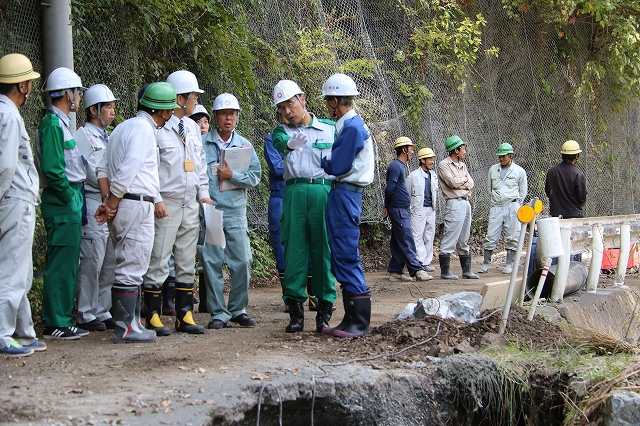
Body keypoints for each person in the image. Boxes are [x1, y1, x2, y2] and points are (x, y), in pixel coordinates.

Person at [95, 82, 179, 343]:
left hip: (124, 202)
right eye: (171, 110)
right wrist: (113, 201)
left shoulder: (122, 127)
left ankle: (130, 323)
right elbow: (128, 169)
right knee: (132, 265)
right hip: (133, 202)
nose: (172, 115)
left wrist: (108, 199)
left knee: (125, 262)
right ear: (163, 111)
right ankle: (126, 328)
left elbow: (101, 167)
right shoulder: (144, 131)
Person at [143, 71, 211, 336]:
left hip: (190, 203)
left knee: (186, 259)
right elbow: (150, 168)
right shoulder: (158, 128)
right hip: (166, 203)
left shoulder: (193, 128)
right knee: (159, 257)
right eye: (193, 96)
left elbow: (200, 164)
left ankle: (184, 315)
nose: (195, 101)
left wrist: (203, 193)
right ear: (181, 99)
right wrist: (156, 198)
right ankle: (152, 314)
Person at [271, 80, 336, 333]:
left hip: (323, 191)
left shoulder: (330, 129)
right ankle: (295, 311)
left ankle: (324, 311)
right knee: (295, 251)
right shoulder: (282, 131)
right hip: (295, 191)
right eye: (282, 107)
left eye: (290, 103)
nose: (287, 111)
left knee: (324, 252)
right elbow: (279, 144)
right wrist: (289, 145)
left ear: (303, 99)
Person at [35, 67, 89, 340]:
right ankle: (55, 321)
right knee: (61, 263)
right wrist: (70, 198)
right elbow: (54, 170)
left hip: (69, 198)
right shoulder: (53, 125)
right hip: (62, 201)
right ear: (68, 94)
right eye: (77, 92)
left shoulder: (62, 124)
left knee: (69, 262)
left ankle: (62, 318)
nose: (78, 97)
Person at [320, 73, 375, 338]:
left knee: (345, 251)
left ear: (334, 101)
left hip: (346, 193)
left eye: (328, 102)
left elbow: (337, 165)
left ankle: (359, 322)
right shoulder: (349, 125)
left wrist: (324, 160)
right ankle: (350, 317)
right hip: (343, 193)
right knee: (340, 253)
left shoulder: (351, 126)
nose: (328, 107)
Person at [201, 93, 261, 330]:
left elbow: (255, 175)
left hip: (235, 211)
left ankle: (238, 309)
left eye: (233, 114)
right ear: (215, 116)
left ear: (237, 117)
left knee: (243, 260)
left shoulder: (244, 145)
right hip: (212, 211)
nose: (228, 118)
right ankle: (218, 312)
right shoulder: (202, 143)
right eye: (224, 114)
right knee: (213, 261)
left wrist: (232, 176)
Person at [0, 53, 45, 357]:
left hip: (14, 198)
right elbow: (4, 166)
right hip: (14, 199)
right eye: (29, 82)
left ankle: (23, 331)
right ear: (22, 85)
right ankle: (3, 334)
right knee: (13, 269)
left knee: (21, 269)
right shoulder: (9, 115)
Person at [75, 84, 118, 332]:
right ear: (94, 109)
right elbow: (90, 170)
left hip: (112, 199)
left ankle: (103, 309)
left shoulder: (110, 137)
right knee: (93, 258)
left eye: (113, 106)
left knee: (110, 258)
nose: (113, 111)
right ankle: (86, 312)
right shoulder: (83, 136)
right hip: (94, 199)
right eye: (108, 107)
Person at [382, 137, 432, 282]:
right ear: (404, 150)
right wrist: (387, 206)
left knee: (398, 240)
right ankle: (417, 270)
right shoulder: (396, 166)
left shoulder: (399, 166)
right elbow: (389, 189)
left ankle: (395, 271)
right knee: (407, 239)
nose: (412, 152)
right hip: (398, 209)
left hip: (401, 209)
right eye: (410, 149)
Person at [478, 143, 528, 274]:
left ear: (511, 156)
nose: (501, 159)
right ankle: (486, 263)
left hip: (512, 205)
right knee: (491, 235)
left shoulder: (519, 171)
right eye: (499, 156)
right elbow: (490, 188)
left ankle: (510, 263)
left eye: (503, 156)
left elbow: (523, 192)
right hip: (496, 205)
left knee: (512, 235)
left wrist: (516, 204)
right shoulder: (493, 169)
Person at [437, 135, 479, 280]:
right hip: (454, 203)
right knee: (451, 235)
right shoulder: (444, 165)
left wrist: (462, 183)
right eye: (463, 148)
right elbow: (452, 183)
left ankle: (466, 271)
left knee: (464, 237)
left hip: (466, 202)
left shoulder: (463, 165)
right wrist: (463, 182)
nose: (465, 151)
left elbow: (471, 183)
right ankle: (445, 271)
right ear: (456, 150)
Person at [406, 147, 439, 273]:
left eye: (432, 159)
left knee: (429, 236)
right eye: (430, 159)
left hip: (431, 209)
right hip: (417, 210)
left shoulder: (433, 175)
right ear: (422, 160)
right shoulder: (413, 176)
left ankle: (426, 262)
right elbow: (408, 194)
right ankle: (418, 261)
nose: (432, 161)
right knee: (417, 236)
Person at [545, 140, 586, 219]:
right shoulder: (578, 174)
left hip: (556, 217)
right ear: (576, 155)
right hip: (574, 216)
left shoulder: (552, 171)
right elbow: (582, 201)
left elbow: (548, 192)